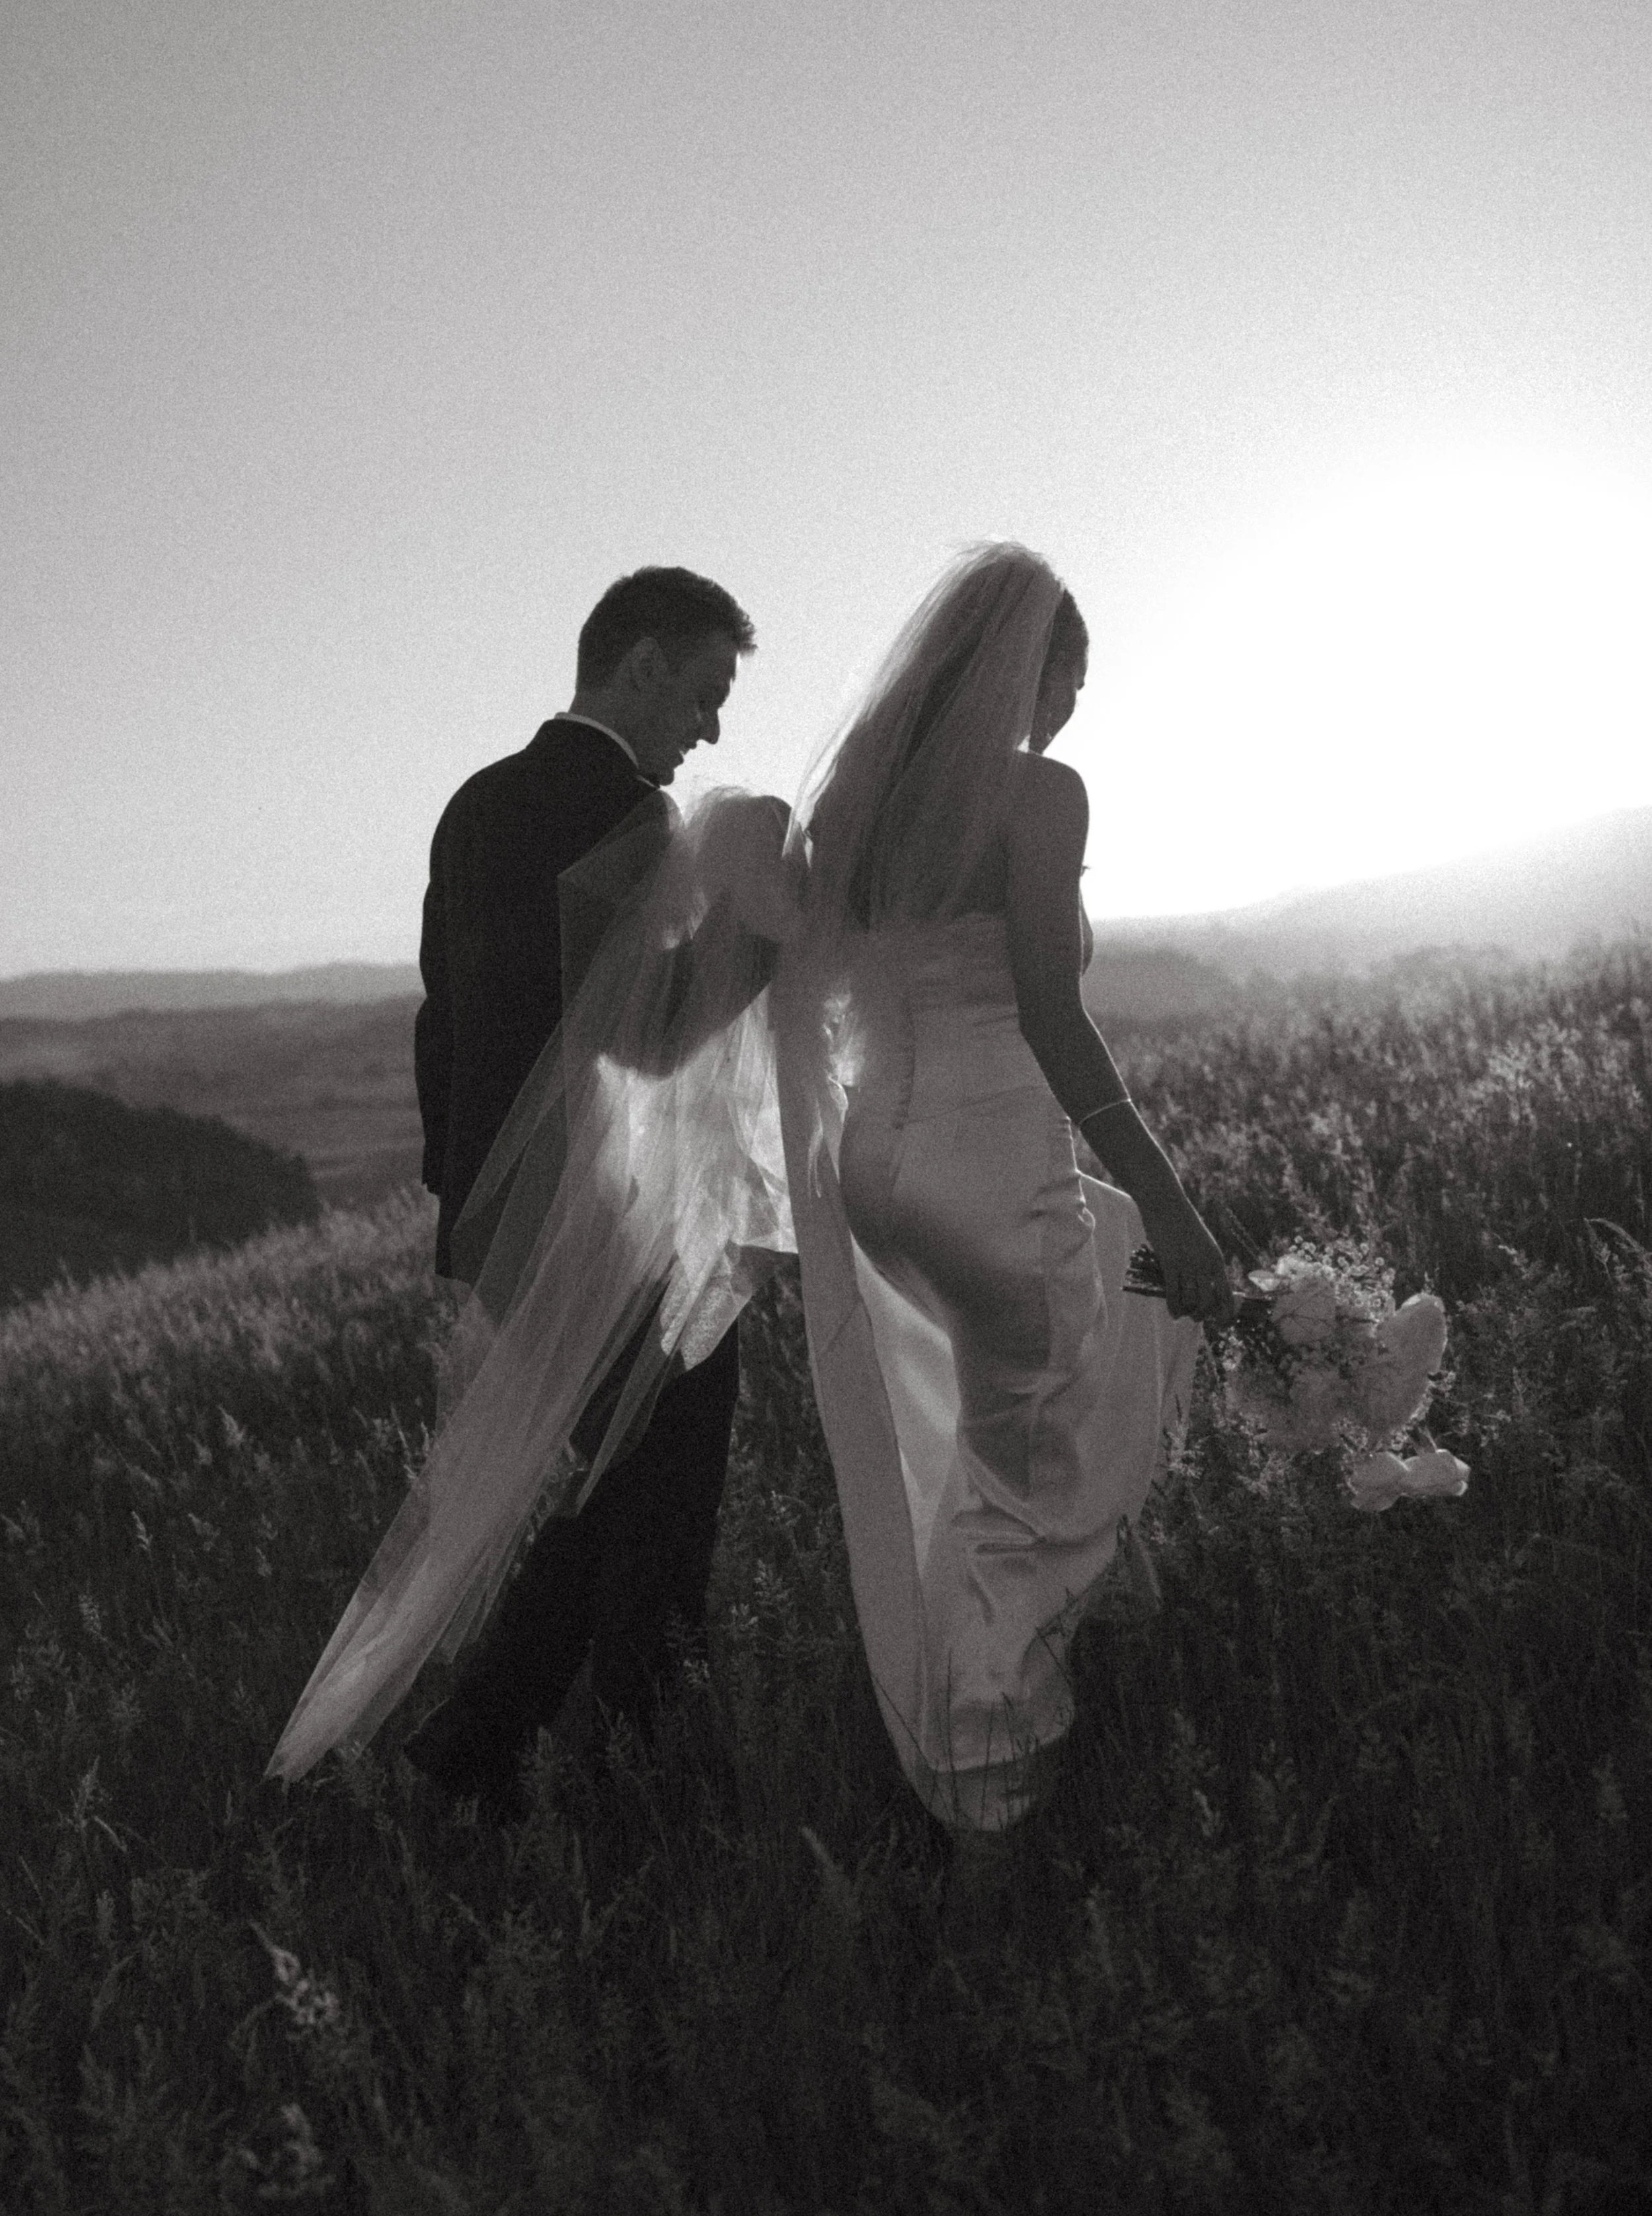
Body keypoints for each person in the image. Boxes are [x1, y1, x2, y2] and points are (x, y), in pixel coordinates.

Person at [270, 566, 759, 1817]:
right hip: (577, 1209)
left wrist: (468, 1202)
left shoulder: (476, 803)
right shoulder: (630, 817)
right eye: (703, 694)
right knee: (665, 1468)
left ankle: (475, 1761)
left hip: (492, 1214)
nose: (710, 729)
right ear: (639, 664)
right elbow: (650, 1039)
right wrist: (759, 944)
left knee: (625, 1478)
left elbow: (446, 1025)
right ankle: (637, 1765)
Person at [775, 542, 1234, 1831]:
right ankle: (987, 1790)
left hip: (878, 1168)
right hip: (987, 1173)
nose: (1066, 715)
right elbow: (1052, 1016)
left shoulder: (852, 801)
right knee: (1018, 1486)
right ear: (1032, 672)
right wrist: (1183, 1203)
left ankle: (1115, 1601)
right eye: (1068, 685)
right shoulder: (1038, 795)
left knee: (1116, 1269)